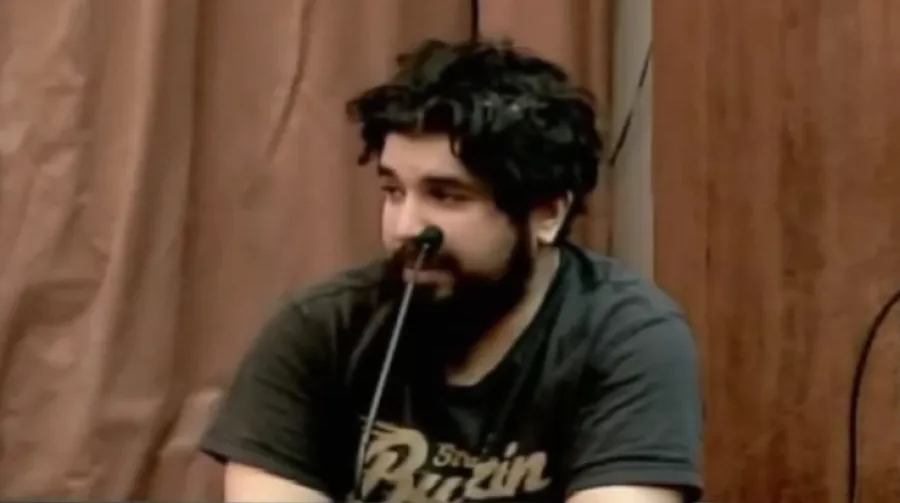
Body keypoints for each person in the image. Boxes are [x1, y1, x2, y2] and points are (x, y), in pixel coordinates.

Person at [199, 38, 703, 503]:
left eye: (446, 196)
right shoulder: (322, 327)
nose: (405, 228)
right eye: (393, 191)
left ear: (547, 213)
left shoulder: (628, 338)